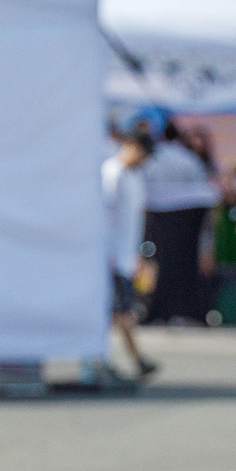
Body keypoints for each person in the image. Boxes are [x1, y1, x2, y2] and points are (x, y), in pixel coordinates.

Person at [142, 116, 219, 323]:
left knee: (160, 266)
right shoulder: (189, 159)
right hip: (188, 221)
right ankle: (187, 310)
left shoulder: (154, 158)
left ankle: (159, 310)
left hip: (161, 219)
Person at [101, 123, 154, 379]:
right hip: (109, 256)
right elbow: (105, 217)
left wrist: (138, 254)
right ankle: (133, 359)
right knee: (120, 312)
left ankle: (107, 360)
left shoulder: (134, 176)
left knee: (118, 312)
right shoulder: (112, 173)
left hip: (124, 256)